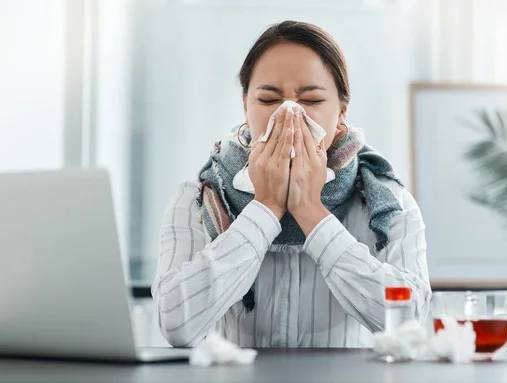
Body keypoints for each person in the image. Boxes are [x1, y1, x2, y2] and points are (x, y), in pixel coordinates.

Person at [151, 20, 431, 348]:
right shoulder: (198, 200)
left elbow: (410, 322)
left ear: (341, 112)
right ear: (246, 106)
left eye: (310, 101)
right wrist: (266, 207)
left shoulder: (386, 202)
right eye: (269, 100)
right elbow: (175, 324)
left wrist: (311, 211)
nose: (289, 115)